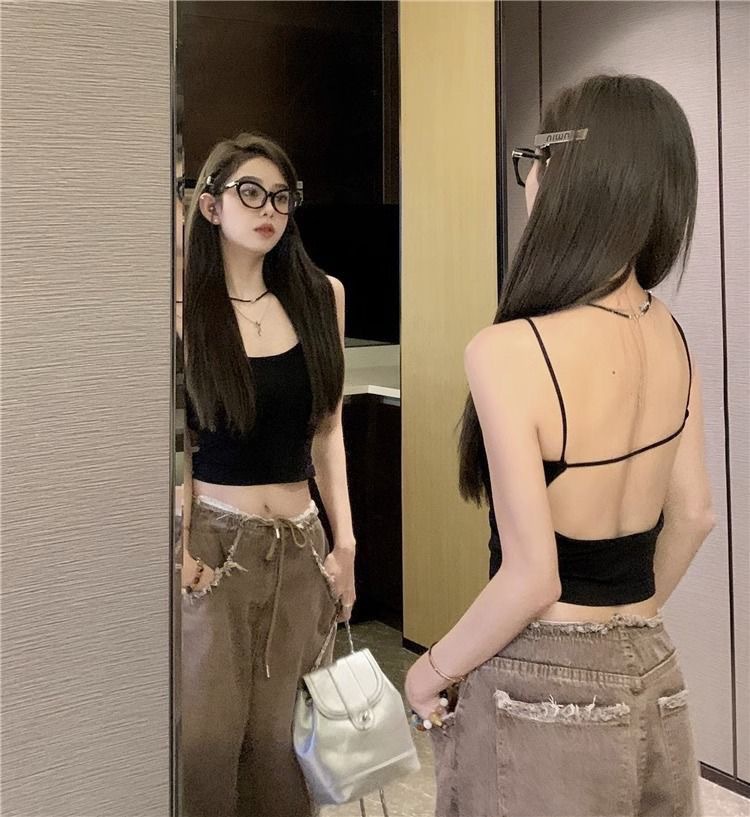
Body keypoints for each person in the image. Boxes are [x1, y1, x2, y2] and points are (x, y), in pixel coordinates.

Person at [405, 75, 713, 817]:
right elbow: (695, 514)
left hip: (539, 681)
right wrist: (619, 633)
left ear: (571, 173)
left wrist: (431, 670)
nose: (529, 178)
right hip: (654, 665)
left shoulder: (509, 349)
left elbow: (532, 575)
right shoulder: (670, 333)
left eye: (534, 158)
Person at [177, 133, 356, 817]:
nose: (268, 210)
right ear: (212, 205)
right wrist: (180, 543)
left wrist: (346, 542)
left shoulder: (321, 296)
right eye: (249, 192)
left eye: (281, 197)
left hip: (302, 547)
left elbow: (329, 429)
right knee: (206, 746)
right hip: (215, 547)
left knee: (287, 745)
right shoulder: (184, 310)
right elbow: (162, 442)